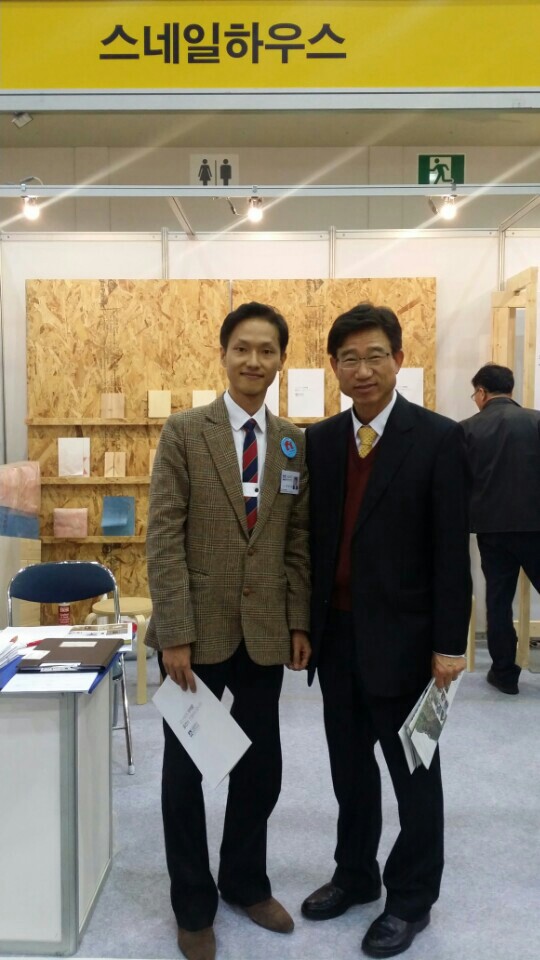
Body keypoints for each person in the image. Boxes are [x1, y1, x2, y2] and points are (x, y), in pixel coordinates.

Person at [302, 303, 471, 959]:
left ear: (398, 359)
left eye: (375, 355)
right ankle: (355, 874)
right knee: (349, 773)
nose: (363, 370)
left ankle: (411, 898)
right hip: (338, 639)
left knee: (415, 777)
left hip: (409, 645)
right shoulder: (321, 442)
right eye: (349, 358)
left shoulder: (438, 437)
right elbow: (314, 543)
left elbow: (452, 551)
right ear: (334, 367)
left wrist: (450, 644)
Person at [146, 301, 311, 960]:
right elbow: (163, 536)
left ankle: (245, 881)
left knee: (261, 768)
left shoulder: (293, 441)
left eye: (267, 350)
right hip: (195, 634)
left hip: (265, 631)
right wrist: (174, 630)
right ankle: (193, 905)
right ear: (223, 354)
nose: (254, 361)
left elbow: (297, 541)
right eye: (242, 348)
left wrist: (298, 619)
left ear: (280, 360)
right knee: (185, 774)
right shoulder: (186, 431)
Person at [461, 362, 540, 695]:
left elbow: (459, 483)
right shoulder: (536, 421)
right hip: (537, 527)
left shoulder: (467, 429)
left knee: (498, 600)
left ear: (481, 392)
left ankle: (505, 674)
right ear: (511, 389)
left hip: (491, 530)